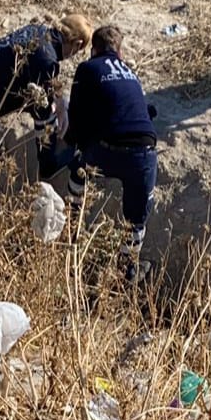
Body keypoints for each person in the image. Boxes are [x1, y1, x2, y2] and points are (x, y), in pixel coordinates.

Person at [64, 26, 158, 282]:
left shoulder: (88, 69)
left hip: (107, 150)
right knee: (136, 221)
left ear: (93, 50)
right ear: (120, 51)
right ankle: (127, 270)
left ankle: (71, 234)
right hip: (145, 152)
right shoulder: (132, 74)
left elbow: (76, 117)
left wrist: (72, 146)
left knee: (78, 172)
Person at [0, 15, 93, 171]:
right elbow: (42, 100)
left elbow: (42, 75)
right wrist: (55, 110)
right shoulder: (47, 60)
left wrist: (59, 99)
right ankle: (48, 164)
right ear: (77, 44)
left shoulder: (38, 29)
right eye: (78, 51)